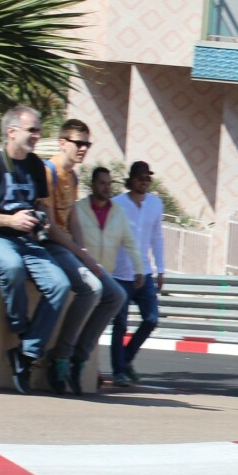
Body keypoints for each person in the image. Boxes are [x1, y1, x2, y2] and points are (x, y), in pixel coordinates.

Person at [0, 105, 71, 394]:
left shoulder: (35, 166)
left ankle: (27, 353)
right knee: (12, 266)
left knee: (60, 284)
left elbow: (40, 205)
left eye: (38, 130)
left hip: (28, 240)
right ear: (11, 132)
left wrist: (40, 219)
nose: (36, 135)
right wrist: (10, 220)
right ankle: (21, 328)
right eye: (32, 129)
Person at [41, 119, 128, 394]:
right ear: (62, 142)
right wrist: (81, 254)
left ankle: (80, 358)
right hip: (51, 246)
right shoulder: (49, 172)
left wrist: (84, 253)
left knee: (116, 295)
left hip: (70, 248)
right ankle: (60, 356)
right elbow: (51, 227)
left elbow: (73, 219)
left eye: (87, 144)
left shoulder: (74, 176)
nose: (83, 149)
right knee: (91, 289)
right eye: (78, 143)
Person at [75, 168, 145, 353]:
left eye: (109, 183)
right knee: (79, 323)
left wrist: (139, 268)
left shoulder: (118, 212)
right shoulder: (78, 209)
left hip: (106, 276)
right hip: (82, 277)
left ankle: (86, 363)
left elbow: (130, 242)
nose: (106, 187)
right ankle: (73, 360)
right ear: (92, 185)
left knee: (97, 326)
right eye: (102, 183)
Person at [109, 161, 165, 386]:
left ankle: (126, 358)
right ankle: (118, 371)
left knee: (151, 319)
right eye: (140, 178)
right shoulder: (117, 204)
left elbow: (157, 238)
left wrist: (161, 269)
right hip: (120, 273)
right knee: (120, 324)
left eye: (148, 178)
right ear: (131, 179)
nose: (144, 182)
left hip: (145, 272)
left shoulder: (155, 204)